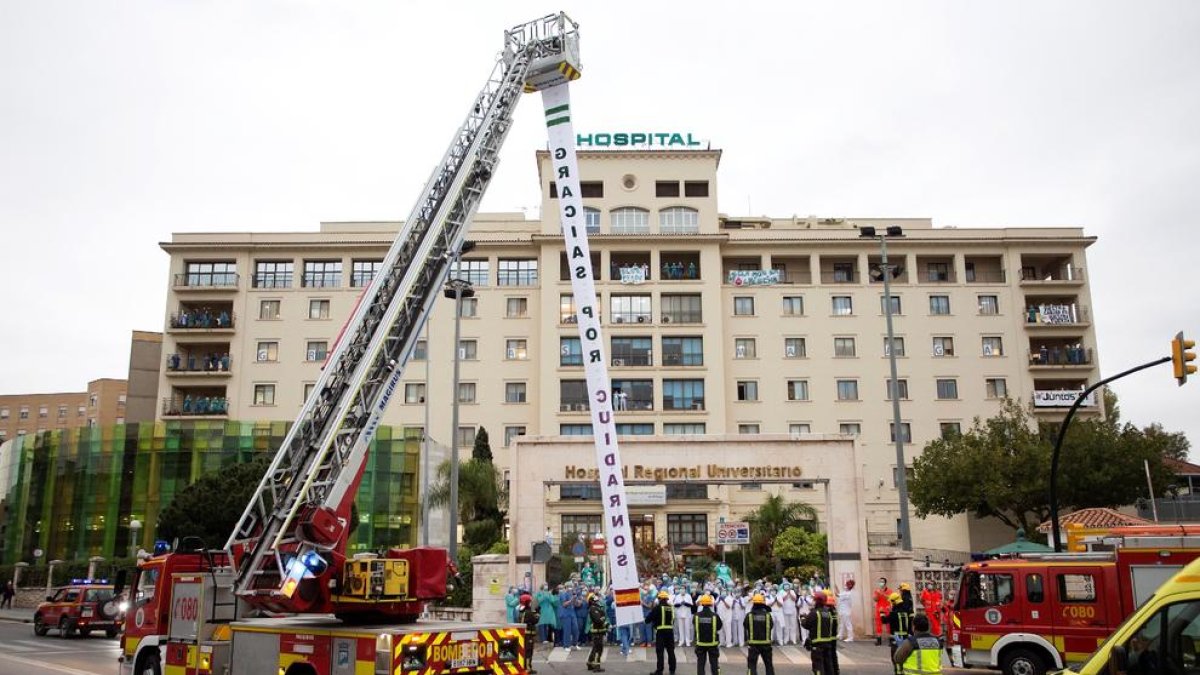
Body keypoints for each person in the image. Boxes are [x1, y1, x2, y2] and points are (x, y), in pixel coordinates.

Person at [802, 591, 838, 675]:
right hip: (827, 644)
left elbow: (807, 625)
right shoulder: (828, 613)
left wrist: (803, 619)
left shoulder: (814, 613)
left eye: (814, 600)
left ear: (817, 601)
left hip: (817, 645)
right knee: (828, 666)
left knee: (818, 667)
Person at [647, 589, 677, 675]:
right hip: (670, 632)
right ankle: (672, 670)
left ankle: (659, 671)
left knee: (660, 651)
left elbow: (648, 619)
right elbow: (673, 619)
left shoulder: (657, 608)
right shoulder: (671, 608)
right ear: (666, 599)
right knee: (671, 651)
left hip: (661, 632)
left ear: (659, 599)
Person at [745, 592, 775, 675]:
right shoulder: (768, 615)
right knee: (769, 665)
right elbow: (771, 626)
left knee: (752, 665)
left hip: (753, 644)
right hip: (766, 644)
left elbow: (745, 625)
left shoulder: (749, 615)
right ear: (762, 603)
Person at [693, 594, 722, 675]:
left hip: (700, 644)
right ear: (710, 604)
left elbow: (694, 625)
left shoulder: (696, 616)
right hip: (712, 644)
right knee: (714, 664)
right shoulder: (715, 616)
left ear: (702, 603)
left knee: (701, 664)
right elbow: (719, 627)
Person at [887, 592, 913, 674]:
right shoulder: (907, 612)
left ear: (894, 602)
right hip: (906, 639)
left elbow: (884, 620)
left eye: (891, 602)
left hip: (895, 640)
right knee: (905, 658)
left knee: (896, 659)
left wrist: (882, 613)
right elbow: (911, 622)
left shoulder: (893, 614)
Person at [518, 593, 540, 674]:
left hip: (524, 634)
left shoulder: (521, 611)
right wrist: (538, 612)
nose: (531, 603)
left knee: (524, 651)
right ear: (527, 602)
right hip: (529, 635)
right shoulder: (529, 612)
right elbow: (535, 620)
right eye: (530, 601)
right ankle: (528, 668)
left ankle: (525, 667)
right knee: (528, 652)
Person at [587, 593, 608, 672]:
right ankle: (596, 666)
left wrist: (606, 625)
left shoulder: (596, 608)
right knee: (598, 649)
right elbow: (598, 620)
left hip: (599, 631)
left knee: (595, 648)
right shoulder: (593, 609)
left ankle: (590, 663)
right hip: (597, 632)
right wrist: (606, 624)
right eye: (596, 598)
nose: (598, 599)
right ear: (592, 600)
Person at [874, 578, 893, 646]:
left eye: (882, 582)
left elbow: (890, 598)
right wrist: (877, 595)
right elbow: (875, 599)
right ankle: (879, 641)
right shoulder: (877, 591)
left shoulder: (889, 591)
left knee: (889, 625)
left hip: (887, 609)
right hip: (879, 609)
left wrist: (882, 594)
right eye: (880, 582)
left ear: (885, 583)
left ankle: (891, 640)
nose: (880, 583)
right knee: (878, 625)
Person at [560, 584, 578, 650]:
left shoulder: (572, 594)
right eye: (568, 587)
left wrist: (575, 599)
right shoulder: (563, 594)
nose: (570, 588)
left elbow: (577, 604)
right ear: (566, 588)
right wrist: (571, 600)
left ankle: (574, 644)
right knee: (567, 630)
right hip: (565, 614)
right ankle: (566, 646)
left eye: (571, 587)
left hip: (572, 614)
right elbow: (564, 604)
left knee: (576, 629)